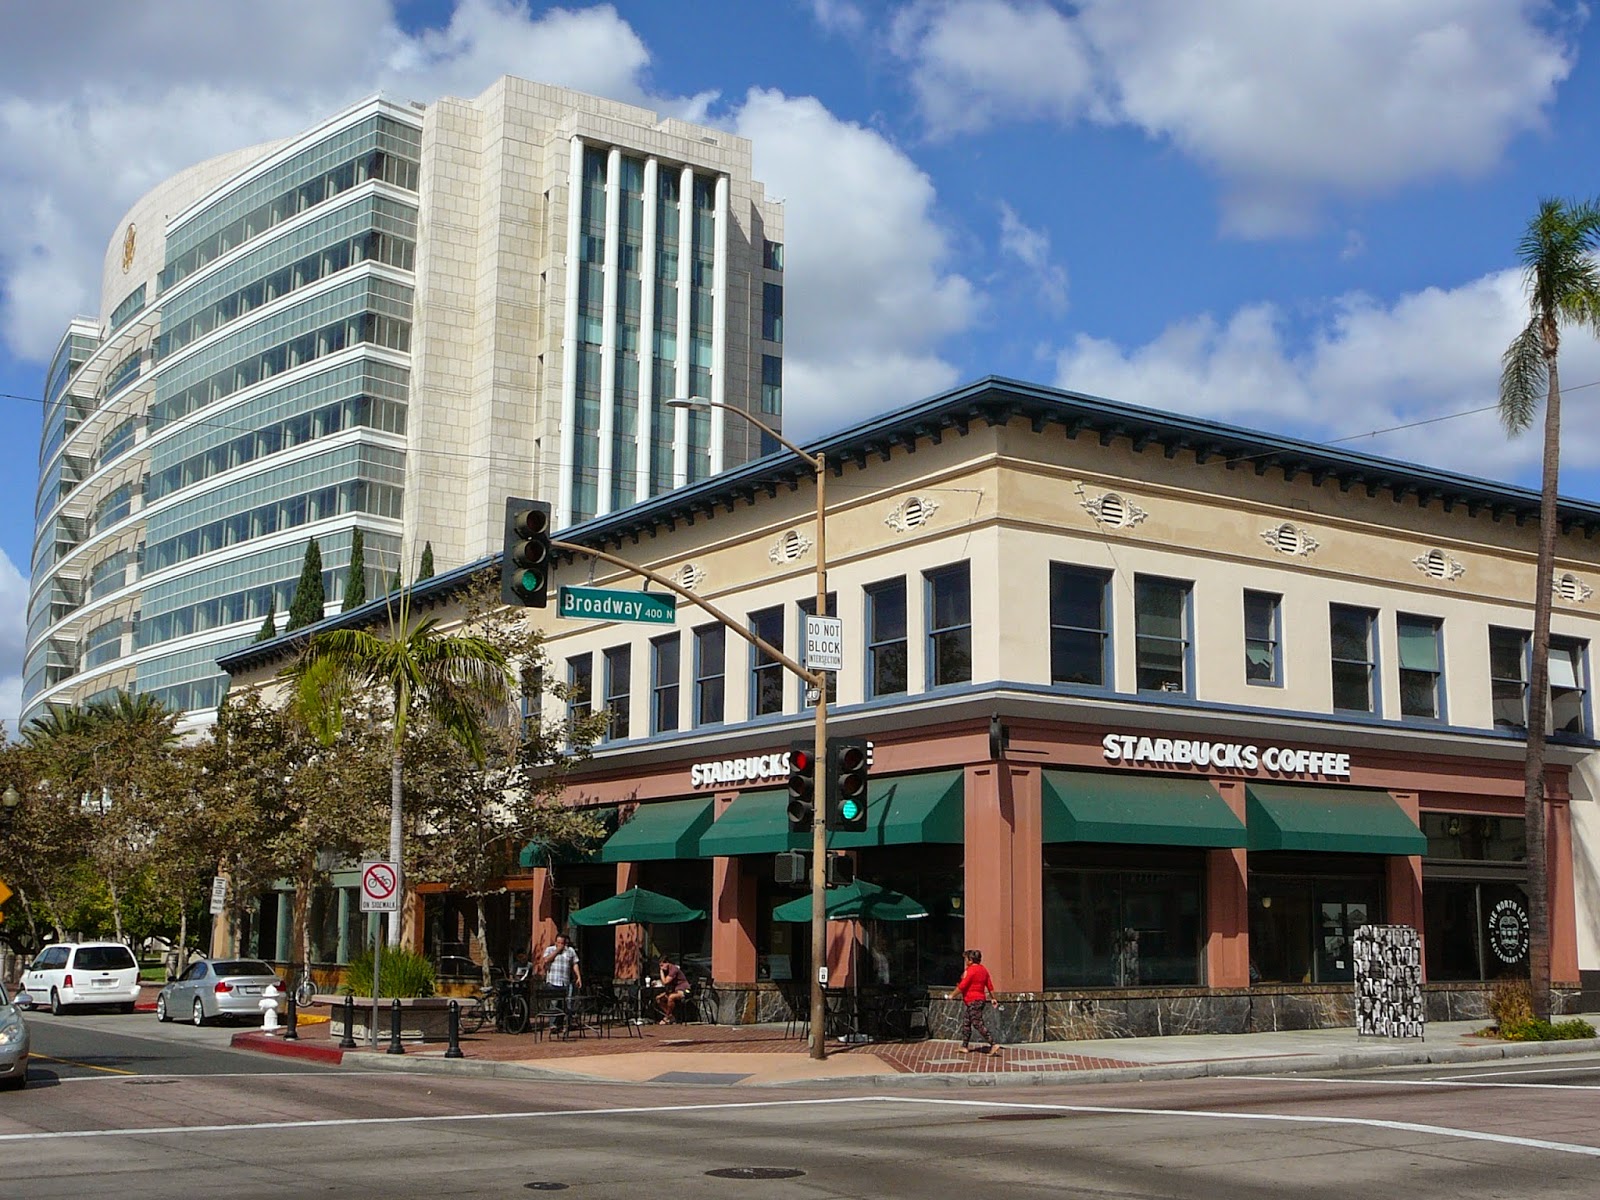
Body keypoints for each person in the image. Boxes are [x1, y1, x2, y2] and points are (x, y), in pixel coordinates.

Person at [949, 948, 997, 1053]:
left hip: (973, 1000)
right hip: (980, 999)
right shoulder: (983, 970)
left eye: (966, 959)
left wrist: (952, 995)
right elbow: (989, 985)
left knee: (977, 1023)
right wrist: (993, 998)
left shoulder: (970, 971)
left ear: (970, 960)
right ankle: (964, 1046)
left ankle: (993, 1044)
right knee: (966, 1022)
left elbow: (963, 985)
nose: (965, 962)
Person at [540, 933, 582, 1032]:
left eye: (562, 943)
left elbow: (575, 964)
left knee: (566, 1004)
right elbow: (546, 960)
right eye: (558, 942)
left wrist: (578, 977)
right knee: (554, 1003)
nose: (560, 944)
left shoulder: (570, 951)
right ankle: (553, 1025)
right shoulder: (550, 949)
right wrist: (557, 950)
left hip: (565, 982)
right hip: (553, 981)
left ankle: (563, 1024)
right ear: (555, 942)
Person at [655, 956, 691, 1025]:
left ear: (667, 963)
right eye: (660, 966)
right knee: (658, 999)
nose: (661, 968)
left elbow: (665, 982)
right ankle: (670, 1016)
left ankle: (667, 1018)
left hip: (685, 990)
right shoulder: (667, 970)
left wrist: (661, 972)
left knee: (671, 997)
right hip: (674, 990)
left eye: (662, 965)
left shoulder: (673, 969)